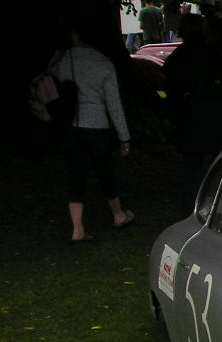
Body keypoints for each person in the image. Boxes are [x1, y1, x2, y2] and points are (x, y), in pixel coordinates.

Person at [50, 27, 134, 242]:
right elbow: (113, 103)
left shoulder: (62, 60)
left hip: (71, 124)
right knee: (105, 171)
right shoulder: (104, 64)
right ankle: (118, 214)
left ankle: (77, 228)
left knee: (75, 175)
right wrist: (124, 136)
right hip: (97, 125)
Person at [163, 13, 222, 218]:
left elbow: (171, 87)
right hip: (213, 115)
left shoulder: (179, 56)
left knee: (192, 172)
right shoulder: (211, 53)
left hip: (191, 117)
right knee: (219, 167)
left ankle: (191, 212)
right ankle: (219, 209)